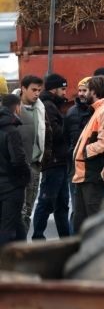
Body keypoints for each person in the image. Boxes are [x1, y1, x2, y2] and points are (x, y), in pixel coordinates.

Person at [72, 76, 104, 232]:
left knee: (93, 220)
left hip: (92, 173)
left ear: (94, 91)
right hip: (85, 173)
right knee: (81, 220)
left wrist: (83, 154)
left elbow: (103, 143)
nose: (85, 93)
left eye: (87, 90)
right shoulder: (100, 110)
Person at [32, 73, 71, 240]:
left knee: (61, 204)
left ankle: (65, 238)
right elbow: (55, 133)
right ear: (54, 89)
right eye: (63, 89)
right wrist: (70, 131)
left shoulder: (53, 105)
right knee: (46, 202)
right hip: (53, 162)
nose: (65, 93)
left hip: (59, 161)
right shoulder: (48, 106)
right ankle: (38, 238)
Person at [0, 94, 31, 246]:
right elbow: (18, 159)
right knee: (7, 229)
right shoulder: (11, 130)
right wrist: (25, 178)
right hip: (12, 186)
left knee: (16, 225)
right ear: (17, 107)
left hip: (4, 184)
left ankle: (22, 256)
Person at [63, 76, 92, 233]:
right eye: (79, 90)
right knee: (76, 208)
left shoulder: (95, 111)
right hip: (74, 165)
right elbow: (65, 137)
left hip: (92, 165)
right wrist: (71, 153)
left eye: (84, 90)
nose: (81, 94)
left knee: (90, 207)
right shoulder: (71, 112)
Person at [17, 74, 46, 235]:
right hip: (17, 167)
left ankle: (22, 245)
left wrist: (43, 160)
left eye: (39, 90)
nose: (37, 93)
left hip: (34, 166)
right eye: (33, 90)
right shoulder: (11, 108)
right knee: (17, 211)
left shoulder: (40, 108)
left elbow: (45, 134)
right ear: (23, 89)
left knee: (27, 210)